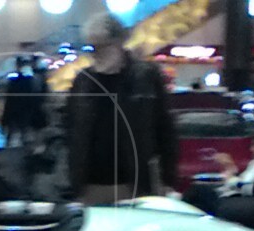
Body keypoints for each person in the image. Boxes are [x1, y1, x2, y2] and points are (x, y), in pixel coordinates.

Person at [66, 12, 177, 205]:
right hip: (91, 185)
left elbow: (165, 130)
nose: (95, 54)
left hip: (135, 184)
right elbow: (69, 130)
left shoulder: (147, 77)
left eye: (100, 46)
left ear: (118, 43)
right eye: (91, 47)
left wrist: (168, 180)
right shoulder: (83, 81)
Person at [1, 54, 46, 148]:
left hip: (25, 115)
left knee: (23, 137)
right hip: (25, 115)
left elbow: (10, 100)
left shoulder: (35, 79)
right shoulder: (37, 79)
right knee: (26, 137)